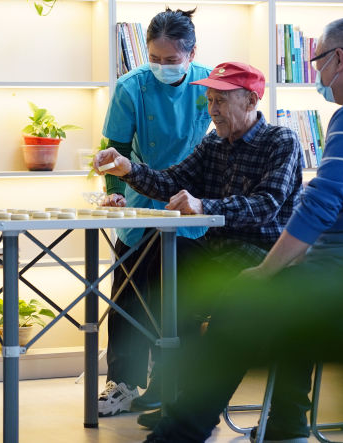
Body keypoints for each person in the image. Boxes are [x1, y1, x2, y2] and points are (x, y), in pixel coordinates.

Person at [143, 17, 343, 443]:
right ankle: (286, 422)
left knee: (244, 299)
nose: (318, 76)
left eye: (318, 63)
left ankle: (179, 434)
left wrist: (267, 269)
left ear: (339, 59)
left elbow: (321, 204)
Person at [94, 61, 304, 428]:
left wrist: (205, 206)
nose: (212, 110)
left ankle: (187, 400)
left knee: (182, 282)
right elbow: (171, 181)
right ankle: (175, 390)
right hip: (218, 253)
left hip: (263, 257)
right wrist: (127, 168)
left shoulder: (281, 141)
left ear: (251, 100)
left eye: (221, 100)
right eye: (209, 100)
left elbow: (267, 204)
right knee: (160, 255)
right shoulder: (213, 143)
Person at [96, 8, 212, 417]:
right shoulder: (132, 87)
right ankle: (122, 383)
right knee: (128, 296)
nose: (162, 66)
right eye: (155, 59)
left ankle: (170, 381)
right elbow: (115, 151)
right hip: (141, 198)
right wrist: (115, 195)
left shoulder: (210, 84)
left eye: (171, 59)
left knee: (177, 297)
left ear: (191, 53)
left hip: (190, 204)